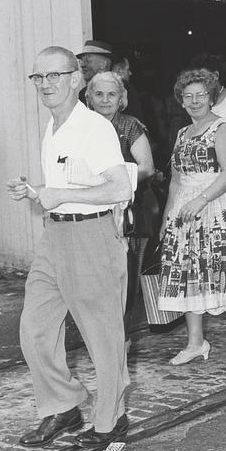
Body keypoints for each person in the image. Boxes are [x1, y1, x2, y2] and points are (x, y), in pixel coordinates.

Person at [6, 46, 132, 449]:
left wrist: (56, 194)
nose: (45, 84)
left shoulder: (94, 128)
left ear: (76, 79)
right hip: (54, 237)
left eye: (54, 75)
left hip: (91, 237)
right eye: (38, 77)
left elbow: (120, 187)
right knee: (35, 328)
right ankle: (63, 405)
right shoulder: (53, 126)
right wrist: (36, 192)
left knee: (102, 334)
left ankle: (111, 421)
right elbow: (69, 187)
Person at [157, 69, 226, 364]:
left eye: (200, 95)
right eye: (188, 96)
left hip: (219, 206)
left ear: (212, 97)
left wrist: (201, 199)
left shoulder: (224, 128)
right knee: (190, 272)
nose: (194, 101)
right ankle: (195, 343)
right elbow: (176, 179)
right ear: (181, 100)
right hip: (186, 207)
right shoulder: (182, 133)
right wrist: (168, 217)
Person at [85, 71, 155, 352]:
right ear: (88, 97)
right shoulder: (81, 126)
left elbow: (147, 167)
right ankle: (101, 338)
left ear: (121, 99)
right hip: (89, 210)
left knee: (124, 278)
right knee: (93, 277)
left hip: (128, 215)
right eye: (98, 94)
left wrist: (113, 185)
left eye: (111, 94)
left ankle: (120, 340)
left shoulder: (130, 126)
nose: (105, 100)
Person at [189, 53, 226, 135]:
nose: (200, 81)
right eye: (197, 78)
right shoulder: (198, 101)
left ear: (216, 75)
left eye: (203, 76)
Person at [76, 40, 116, 104]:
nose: (82, 65)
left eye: (87, 61)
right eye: (81, 61)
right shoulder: (83, 93)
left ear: (103, 64)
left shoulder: (121, 88)